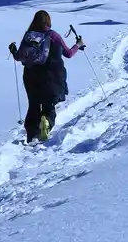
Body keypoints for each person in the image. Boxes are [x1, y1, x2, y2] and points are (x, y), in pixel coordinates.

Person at [8, 10, 82, 143]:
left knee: (33, 104)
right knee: (49, 105)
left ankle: (31, 134)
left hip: (30, 75)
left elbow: (19, 57)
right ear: (48, 21)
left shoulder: (28, 36)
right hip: (51, 75)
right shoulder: (53, 35)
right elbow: (69, 53)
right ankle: (46, 121)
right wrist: (78, 45)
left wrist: (13, 51)